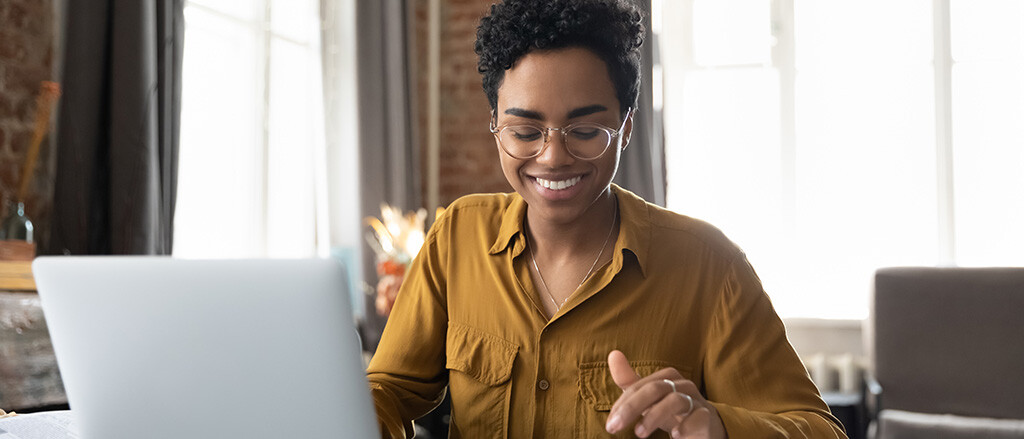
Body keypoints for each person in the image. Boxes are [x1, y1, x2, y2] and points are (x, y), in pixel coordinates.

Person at [366, 0, 848, 438]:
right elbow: (388, 390)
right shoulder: (458, 236)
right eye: (526, 130)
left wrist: (719, 426)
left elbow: (819, 430)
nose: (553, 156)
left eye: (586, 130)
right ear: (496, 126)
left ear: (626, 128)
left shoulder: (709, 266)